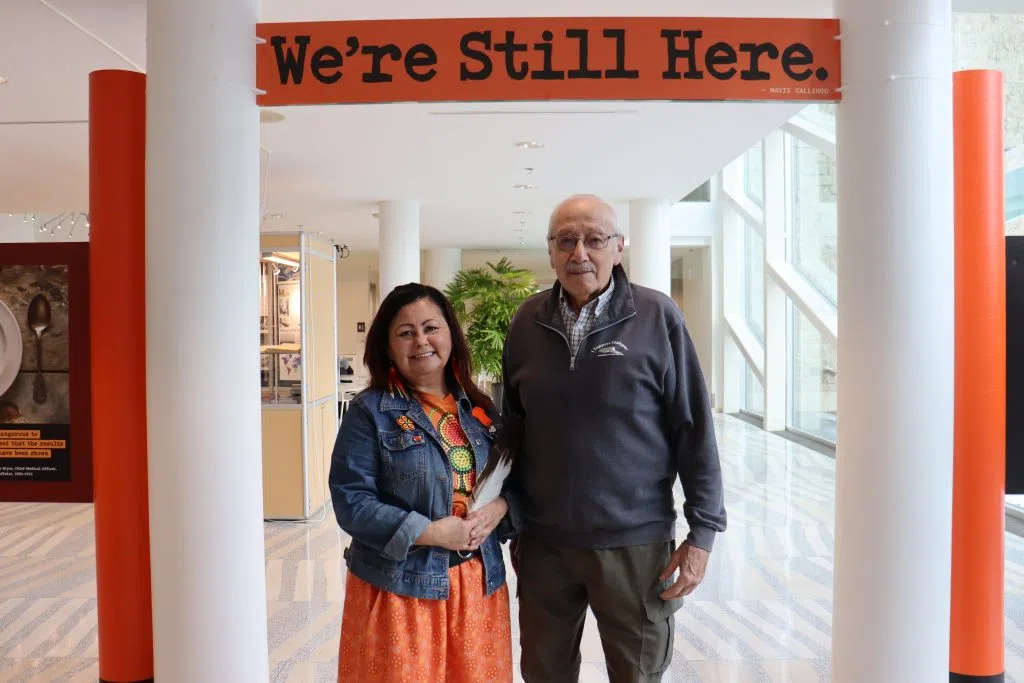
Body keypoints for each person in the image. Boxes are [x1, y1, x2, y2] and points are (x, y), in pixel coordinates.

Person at [501, 194, 727, 683]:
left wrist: (702, 534)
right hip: (545, 544)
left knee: (637, 673)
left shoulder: (656, 316)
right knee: (544, 672)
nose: (579, 252)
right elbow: (512, 431)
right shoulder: (526, 323)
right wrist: (513, 521)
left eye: (593, 239)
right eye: (566, 240)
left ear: (618, 247)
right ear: (550, 250)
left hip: (635, 547)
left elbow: (694, 428)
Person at [329, 282, 518, 683]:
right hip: (400, 588)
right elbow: (352, 501)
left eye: (431, 328)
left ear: (450, 333)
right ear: (387, 345)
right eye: (406, 332)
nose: (421, 341)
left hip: (478, 587)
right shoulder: (370, 411)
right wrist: (431, 532)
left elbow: (514, 480)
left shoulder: (479, 409)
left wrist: (501, 509)